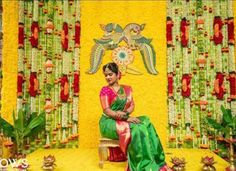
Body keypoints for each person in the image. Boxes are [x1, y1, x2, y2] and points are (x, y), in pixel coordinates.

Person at [99, 62, 171, 171]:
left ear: (118, 74)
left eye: (110, 74)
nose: (107, 77)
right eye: (106, 75)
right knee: (137, 128)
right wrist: (126, 118)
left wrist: (126, 113)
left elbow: (132, 105)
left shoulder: (126, 89)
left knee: (145, 121)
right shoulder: (105, 90)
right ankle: (141, 164)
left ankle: (154, 158)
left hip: (122, 118)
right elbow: (107, 111)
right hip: (109, 122)